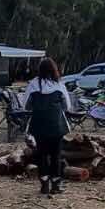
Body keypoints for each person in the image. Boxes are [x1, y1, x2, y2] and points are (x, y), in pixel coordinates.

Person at [23, 57, 72, 196]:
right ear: (54, 69)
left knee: (42, 154)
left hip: (38, 124)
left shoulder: (33, 85)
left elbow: (25, 105)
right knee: (56, 154)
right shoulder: (59, 85)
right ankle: (56, 184)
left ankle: (44, 184)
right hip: (57, 125)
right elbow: (67, 106)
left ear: (40, 70)